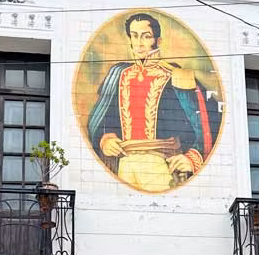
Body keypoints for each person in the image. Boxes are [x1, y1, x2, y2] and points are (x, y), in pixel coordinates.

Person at [87, 12, 221, 192]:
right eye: (134, 36)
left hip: (160, 163)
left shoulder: (177, 76)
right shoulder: (118, 74)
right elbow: (103, 117)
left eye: (146, 36)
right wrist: (106, 139)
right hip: (125, 162)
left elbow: (205, 120)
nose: (139, 42)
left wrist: (191, 157)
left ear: (157, 41)